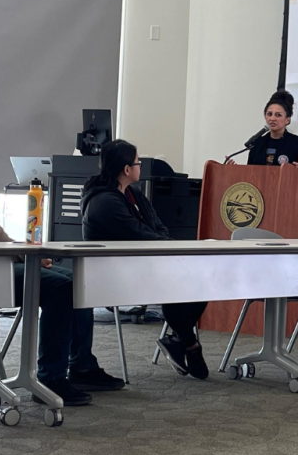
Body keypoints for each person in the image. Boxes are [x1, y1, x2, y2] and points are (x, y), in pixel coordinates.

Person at [0, 115, 123, 406]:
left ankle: (81, 366)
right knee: (62, 288)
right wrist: (27, 256)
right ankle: (50, 376)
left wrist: (29, 254)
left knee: (76, 280)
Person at [81, 139, 209, 379]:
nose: (141, 166)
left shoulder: (132, 193)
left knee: (200, 279)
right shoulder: (104, 202)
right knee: (178, 281)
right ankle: (188, 344)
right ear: (127, 169)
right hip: (114, 275)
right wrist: (174, 248)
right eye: (138, 162)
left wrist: (170, 245)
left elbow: (157, 227)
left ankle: (181, 341)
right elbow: (138, 235)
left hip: (140, 264)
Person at [229, 90, 298, 178]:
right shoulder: (257, 143)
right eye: (269, 114)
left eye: (278, 115)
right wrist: (236, 171)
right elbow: (250, 176)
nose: (272, 118)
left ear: (287, 119)